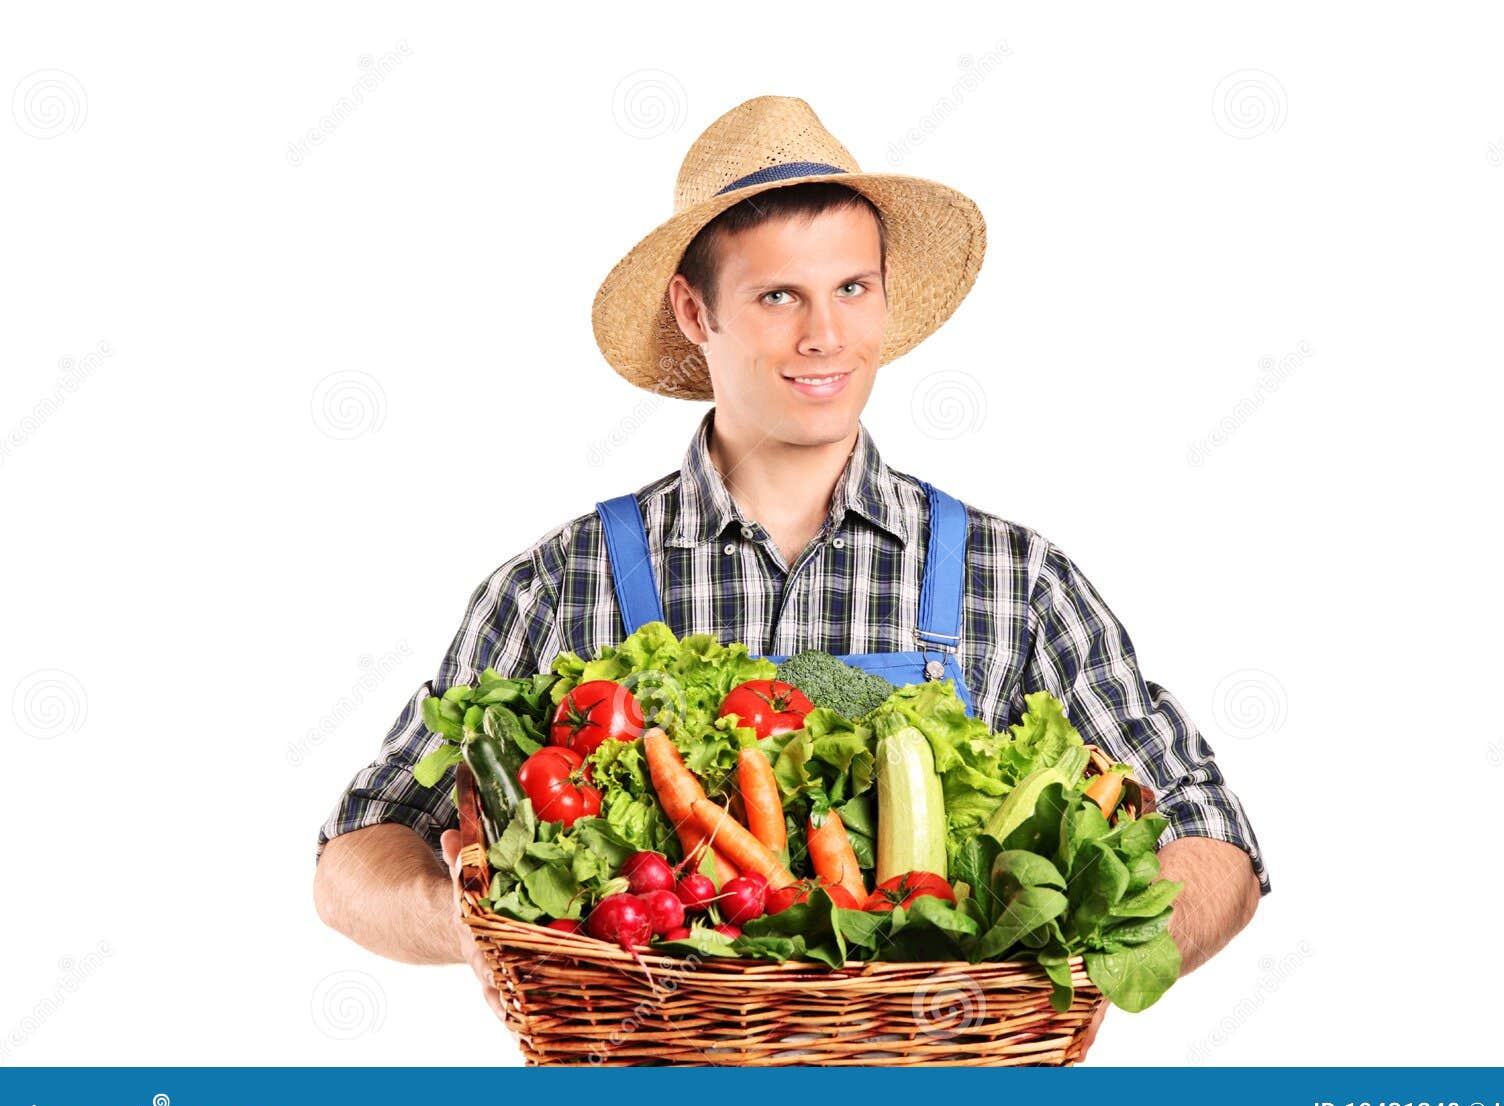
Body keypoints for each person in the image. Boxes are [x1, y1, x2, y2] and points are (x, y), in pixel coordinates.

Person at [312, 96, 1270, 1045]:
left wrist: (1071, 958)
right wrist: (472, 925)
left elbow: (1213, 833)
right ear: (694, 310)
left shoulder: (1015, 580)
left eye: (852, 288)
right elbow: (356, 847)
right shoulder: (563, 583)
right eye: (778, 296)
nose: (825, 336)